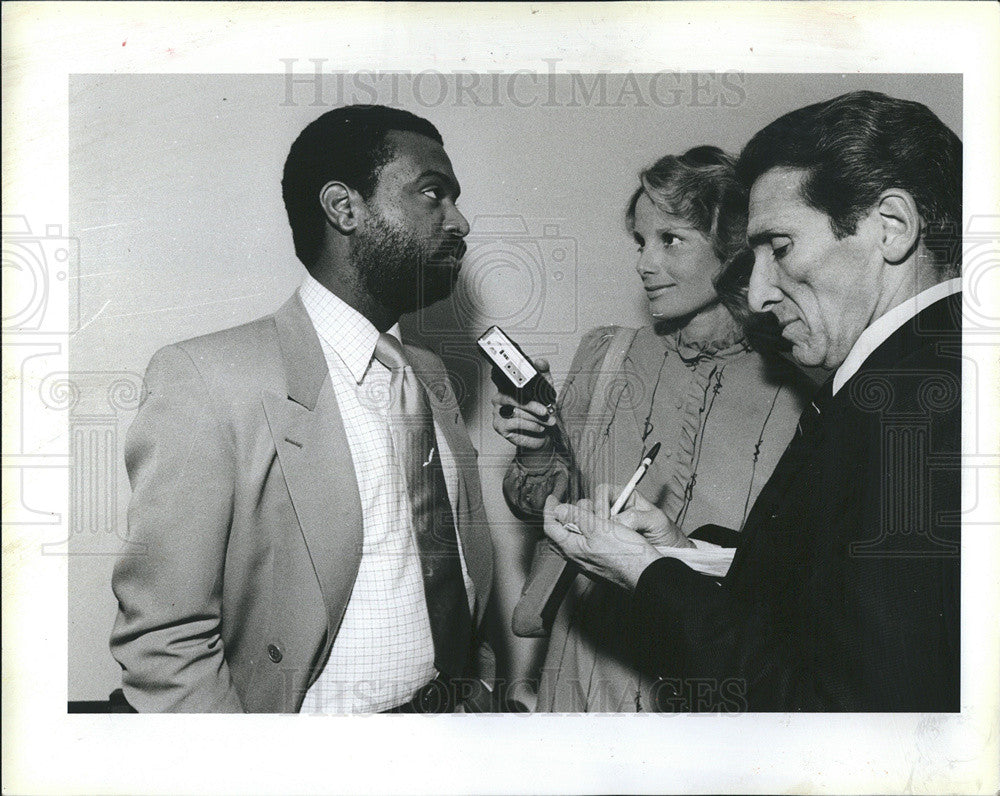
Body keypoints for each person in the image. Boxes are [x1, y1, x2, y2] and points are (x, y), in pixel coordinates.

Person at [542, 91, 962, 712]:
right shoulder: (915, 380)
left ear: (891, 227)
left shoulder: (915, 419)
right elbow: (831, 598)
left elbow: (839, 710)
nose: (759, 293)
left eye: (781, 248)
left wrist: (646, 574)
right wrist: (684, 555)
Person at [110, 105, 496, 713]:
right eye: (433, 194)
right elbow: (166, 641)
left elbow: (459, 570)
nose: (460, 221)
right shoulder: (207, 380)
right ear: (344, 208)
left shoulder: (427, 375)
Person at [493, 146, 812, 711]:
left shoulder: (797, 385)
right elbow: (541, 505)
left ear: (733, 246)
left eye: (671, 240)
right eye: (640, 241)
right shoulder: (606, 353)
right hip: (586, 667)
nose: (644, 263)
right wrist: (539, 451)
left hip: (709, 681)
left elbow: (794, 579)